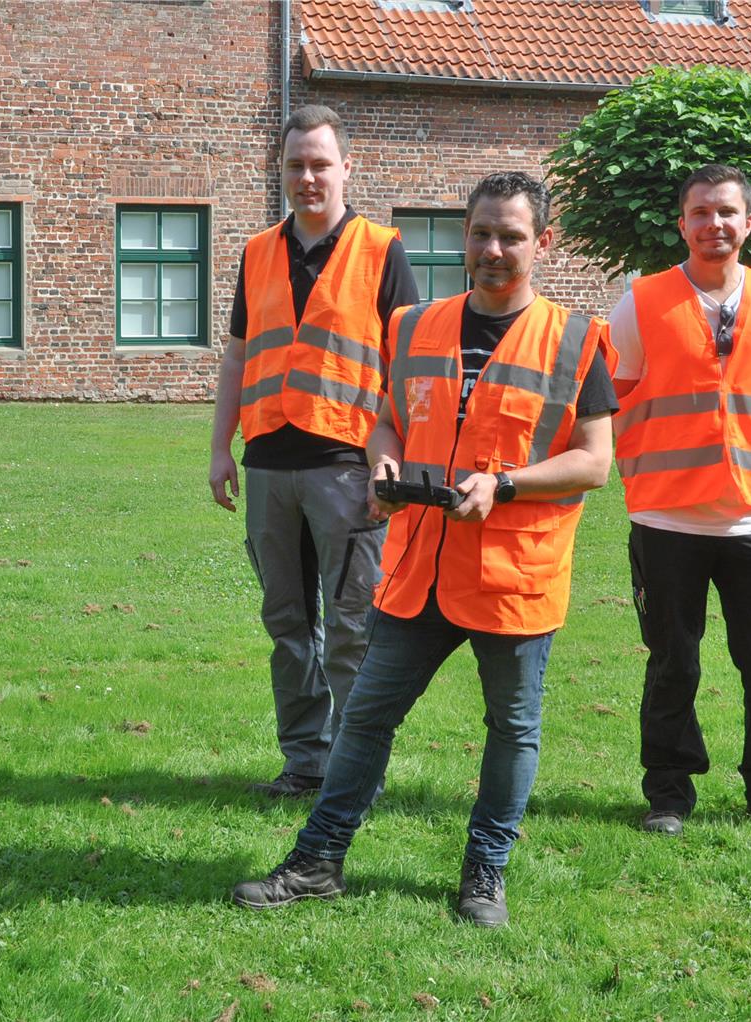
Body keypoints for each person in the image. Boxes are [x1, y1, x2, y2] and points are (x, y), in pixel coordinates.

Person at [231, 171, 616, 927]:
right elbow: (386, 423)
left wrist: (503, 486)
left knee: (512, 729)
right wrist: (381, 464)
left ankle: (485, 873)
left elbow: (594, 460)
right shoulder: (412, 326)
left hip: (514, 576)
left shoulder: (575, 339)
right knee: (367, 717)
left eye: (511, 236)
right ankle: (318, 861)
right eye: (481, 234)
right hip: (418, 570)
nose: (494, 250)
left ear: (543, 242)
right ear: (462, 238)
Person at [608, 163, 751, 842]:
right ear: (682, 224)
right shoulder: (640, 301)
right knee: (673, 663)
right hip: (666, 516)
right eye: (699, 213)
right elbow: (613, 398)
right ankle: (668, 796)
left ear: (748, 223)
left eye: (726, 212)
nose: (714, 225)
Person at [209, 104, 418, 799]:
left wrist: (393, 459)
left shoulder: (382, 249)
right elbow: (238, 355)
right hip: (269, 464)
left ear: (345, 168)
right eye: (296, 164)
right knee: (288, 625)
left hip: (346, 466)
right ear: (281, 170)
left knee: (353, 626)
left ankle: (356, 769)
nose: (308, 177)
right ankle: (305, 761)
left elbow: (406, 363)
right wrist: (220, 449)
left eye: (320, 164)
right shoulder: (256, 251)